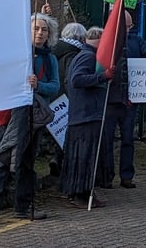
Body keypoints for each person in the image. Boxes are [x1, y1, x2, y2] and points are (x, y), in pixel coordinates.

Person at [0, 13, 60, 224]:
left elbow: (55, 85)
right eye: (36, 29)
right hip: (13, 116)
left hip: (35, 117)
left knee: (27, 162)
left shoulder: (49, 58)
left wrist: (38, 86)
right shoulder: (16, 55)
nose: (40, 33)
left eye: (44, 30)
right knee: (2, 161)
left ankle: (23, 207)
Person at [101, 10, 146, 189]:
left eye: (131, 26)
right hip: (110, 100)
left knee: (128, 139)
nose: (129, 29)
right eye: (127, 26)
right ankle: (107, 175)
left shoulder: (135, 41)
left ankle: (126, 176)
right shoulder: (105, 41)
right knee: (107, 140)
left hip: (130, 100)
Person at [60, 27, 113, 209]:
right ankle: (79, 193)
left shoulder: (85, 55)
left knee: (87, 158)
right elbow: (77, 79)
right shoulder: (87, 57)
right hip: (85, 116)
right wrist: (102, 76)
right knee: (84, 158)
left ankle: (85, 192)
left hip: (86, 114)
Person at [49, 22, 87, 177]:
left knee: (55, 128)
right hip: (66, 97)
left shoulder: (54, 49)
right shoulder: (74, 54)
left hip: (53, 96)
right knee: (66, 130)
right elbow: (72, 79)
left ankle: (55, 157)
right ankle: (60, 160)